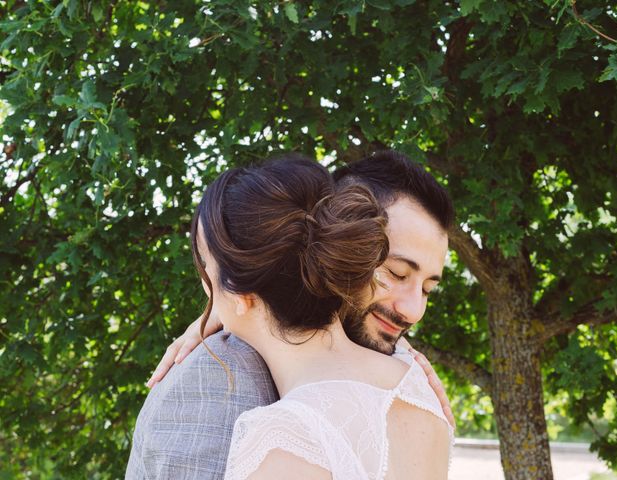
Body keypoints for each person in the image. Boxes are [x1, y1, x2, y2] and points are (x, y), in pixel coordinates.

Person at [127, 150, 454, 479]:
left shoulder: (286, 434)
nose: (413, 311)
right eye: (395, 273)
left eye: (427, 289)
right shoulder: (219, 375)